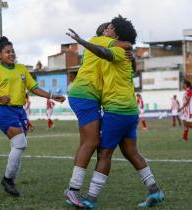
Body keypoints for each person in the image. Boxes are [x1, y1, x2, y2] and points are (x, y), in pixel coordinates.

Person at [67, 15, 164, 209]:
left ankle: (90, 199)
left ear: (116, 34)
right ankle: (155, 191)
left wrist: (81, 42)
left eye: (110, 28)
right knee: (130, 151)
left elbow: (104, 52)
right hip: (130, 111)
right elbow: (121, 56)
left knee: (104, 153)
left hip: (116, 110)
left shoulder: (118, 52)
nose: (106, 31)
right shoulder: (126, 54)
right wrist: (132, 51)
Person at [0, 36, 65, 196]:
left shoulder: (21, 69)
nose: (11, 54)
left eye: (13, 51)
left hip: (20, 111)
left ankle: (10, 180)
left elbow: (34, 88)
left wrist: (52, 96)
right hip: (4, 111)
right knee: (21, 143)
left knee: (18, 146)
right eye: (7, 52)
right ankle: (8, 179)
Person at [64, 22, 132, 207]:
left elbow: (122, 52)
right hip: (85, 94)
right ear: (104, 33)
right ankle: (73, 190)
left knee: (87, 142)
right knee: (92, 142)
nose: (112, 32)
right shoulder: (99, 40)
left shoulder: (101, 46)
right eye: (110, 29)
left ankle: (73, 189)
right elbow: (126, 44)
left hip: (86, 95)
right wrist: (129, 46)